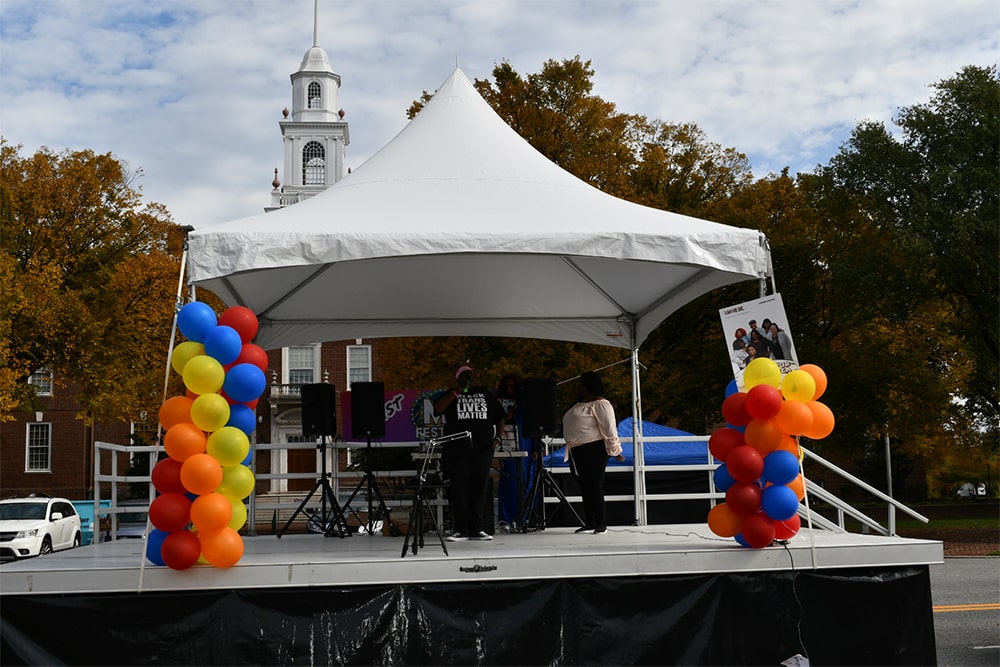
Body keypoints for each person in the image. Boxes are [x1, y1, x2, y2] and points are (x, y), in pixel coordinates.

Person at [433, 365, 506, 541]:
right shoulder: (452, 393)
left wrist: (497, 439)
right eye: (465, 376)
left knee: (479, 488)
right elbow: (438, 410)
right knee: (459, 488)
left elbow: (500, 416)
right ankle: (460, 530)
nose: (469, 379)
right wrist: (457, 391)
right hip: (457, 450)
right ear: (458, 378)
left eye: (471, 376)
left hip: (482, 449)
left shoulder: (485, 394)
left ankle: (477, 529)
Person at [561, 371, 625, 535]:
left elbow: (609, 428)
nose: (579, 386)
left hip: (593, 448)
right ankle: (590, 522)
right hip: (577, 449)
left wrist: (615, 450)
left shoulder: (601, 404)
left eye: (582, 383)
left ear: (590, 385)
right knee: (585, 486)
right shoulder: (581, 402)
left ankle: (601, 523)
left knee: (594, 485)